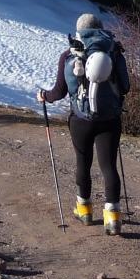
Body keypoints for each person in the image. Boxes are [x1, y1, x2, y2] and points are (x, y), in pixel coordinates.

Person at [36, 13, 131, 235]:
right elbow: (125, 87)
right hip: (110, 119)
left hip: (80, 120)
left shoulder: (69, 54)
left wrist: (44, 96)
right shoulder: (115, 51)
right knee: (109, 166)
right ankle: (113, 218)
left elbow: (59, 92)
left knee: (83, 162)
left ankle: (84, 210)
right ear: (101, 28)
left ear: (80, 30)